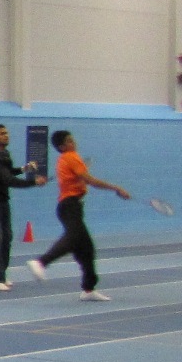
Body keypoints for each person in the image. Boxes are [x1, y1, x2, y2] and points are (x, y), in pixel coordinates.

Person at [28, 129, 128, 301]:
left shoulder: (64, 160)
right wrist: (116, 188)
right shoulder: (71, 157)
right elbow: (91, 181)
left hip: (71, 206)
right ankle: (41, 262)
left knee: (86, 249)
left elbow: (81, 178)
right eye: (68, 141)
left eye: (72, 139)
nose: (73, 142)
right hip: (69, 206)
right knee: (73, 237)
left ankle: (88, 290)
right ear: (61, 146)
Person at [0, 123, 45, 291]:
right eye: (1, 133)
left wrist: (24, 168)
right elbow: (8, 180)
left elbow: (9, 172)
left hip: (2, 201)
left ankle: (2, 273)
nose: (6, 135)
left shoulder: (5, 154)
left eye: (7, 133)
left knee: (7, 238)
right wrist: (33, 182)